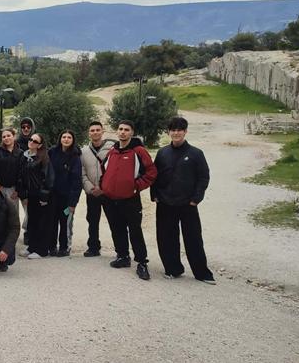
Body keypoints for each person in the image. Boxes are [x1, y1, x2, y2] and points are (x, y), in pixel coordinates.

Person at [152, 117, 215, 284]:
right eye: (173, 130)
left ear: (185, 132)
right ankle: (173, 269)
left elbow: (203, 177)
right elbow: (155, 175)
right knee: (166, 238)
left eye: (179, 130)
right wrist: (155, 195)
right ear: (168, 132)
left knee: (193, 239)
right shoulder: (162, 153)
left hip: (188, 204)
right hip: (165, 203)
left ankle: (202, 273)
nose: (176, 133)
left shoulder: (196, 153)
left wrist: (196, 199)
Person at [100, 120, 157, 280]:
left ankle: (142, 262)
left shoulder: (139, 151)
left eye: (126, 129)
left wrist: (136, 186)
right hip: (110, 199)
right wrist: (104, 186)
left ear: (132, 132)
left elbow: (151, 172)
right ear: (117, 131)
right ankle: (123, 256)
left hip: (130, 199)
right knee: (117, 229)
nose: (123, 132)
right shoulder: (112, 151)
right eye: (120, 129)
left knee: (135, 231)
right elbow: (104, 170)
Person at [80, 121, 115, 257]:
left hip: (108, 192)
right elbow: (82, 172)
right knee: (92, 221)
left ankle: (120, 250)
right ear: (89, 133)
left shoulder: (112, 148)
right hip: (92, 192)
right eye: (92, 130)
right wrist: (90, 188)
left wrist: (104, 188)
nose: (95, 132)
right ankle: (93, 247)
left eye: (97, 130)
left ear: (102, 131)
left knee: (114, 221)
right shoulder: (83, 151)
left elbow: (115, 171)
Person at [48, 130, 83, 257]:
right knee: (52, 222)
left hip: (67, 198)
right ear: (60, 139)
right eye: (64, 137)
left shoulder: (75, 156)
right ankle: (51, 246)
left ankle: (64, 247)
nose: (66, 139)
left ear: (73, 140)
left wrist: (73, 202)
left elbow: (77, 180)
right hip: (52, 195)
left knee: (65, 223)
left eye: (69, 137)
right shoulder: (52, 152)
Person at [19, 133, 54, 259]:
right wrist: (23, 193)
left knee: (41, 223)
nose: (31, 142)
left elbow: (48, 178)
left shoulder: (44, 158)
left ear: (39, 145)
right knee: (32, 222)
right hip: (31, 194)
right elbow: (22, 176)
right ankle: (32, 247)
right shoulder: (25, 157)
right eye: (30, 139)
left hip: (40, 195)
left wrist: (44, 196)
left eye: (35, 141)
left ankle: (42, 250)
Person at [0, 128, 24, 212]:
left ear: (14, 136)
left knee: (13, 213)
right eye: (4, 137)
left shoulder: (20, 153)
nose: (6, 138)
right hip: (0, 188)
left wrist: (18, 190)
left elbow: (22, 172)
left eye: (8, 135)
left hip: (13, 189)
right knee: (0, 212)